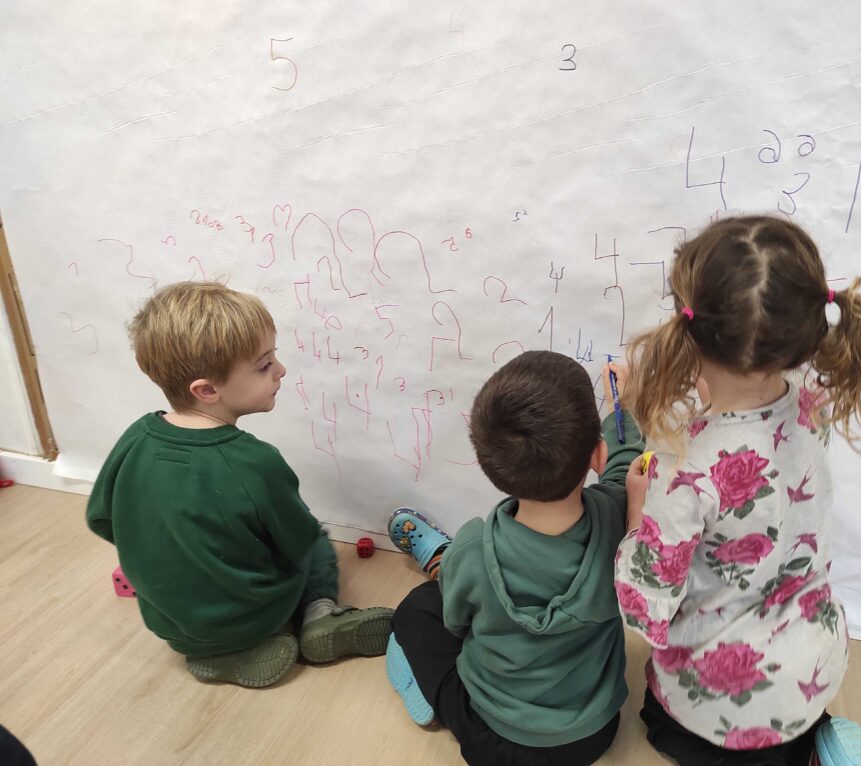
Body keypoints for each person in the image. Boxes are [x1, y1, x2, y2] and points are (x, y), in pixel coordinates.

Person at [614, 216, 861, 765]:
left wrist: (636, 513)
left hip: (723, 700)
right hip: (812, 662)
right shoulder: (812, 398)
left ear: (687, 329)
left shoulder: (684, 469)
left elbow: (645, 608)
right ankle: (818, 746)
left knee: (661, 718)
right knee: (787, 729)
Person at [86, 281, 393, 688]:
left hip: (173, 625)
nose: (281, 370)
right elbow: (297, 540)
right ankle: (318, 615)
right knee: (316, 539)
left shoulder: (134, 439)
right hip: (256, 614)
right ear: (207, 390)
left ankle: (219, 655)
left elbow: (101, 519)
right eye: (264, 365)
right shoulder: (254, 462)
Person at [384, 350, 645, 765]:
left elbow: (456, 625)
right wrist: (624, 409)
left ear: (490, 466)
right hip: (593, 733)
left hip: (494, 740)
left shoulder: (474, 548)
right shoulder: (620, 522)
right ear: (596, 456)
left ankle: (436, 691)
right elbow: (624, 467)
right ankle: (442, 569)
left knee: (417, 608)